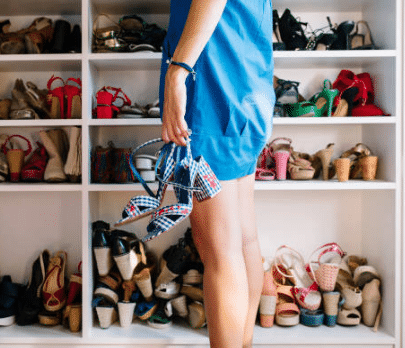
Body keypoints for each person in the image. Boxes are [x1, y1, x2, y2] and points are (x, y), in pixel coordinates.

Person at [159, 0, 274, 347]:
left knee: (219, 248)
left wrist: (177, 70)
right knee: (242, 239)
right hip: (243, 82)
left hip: (212, 85)